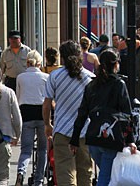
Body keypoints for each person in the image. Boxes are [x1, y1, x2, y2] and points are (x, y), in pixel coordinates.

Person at [69, 49, 137, 186]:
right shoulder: (119, 85)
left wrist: (75, 139)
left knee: (107, 173)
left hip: (93, 137)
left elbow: (82, 113)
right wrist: (131, 140)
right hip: (111, 138)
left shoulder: (91, 86)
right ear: (116, 64)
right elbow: (127, 114)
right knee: (106, 176)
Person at [43, 40, 95, 186]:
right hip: (85, 132)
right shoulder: (90, 78)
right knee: (85, 174)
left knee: (65, 176)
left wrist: (47, 124)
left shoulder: (54, 76)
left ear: (63, 58)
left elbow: (47, 104)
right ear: (80, 56)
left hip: (62, 131)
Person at [15, 50, 48, 186]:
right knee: (42, 149)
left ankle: (21, 172)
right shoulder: (46, 77)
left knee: (26, 149)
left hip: (26, 114)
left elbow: (18, 96)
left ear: (27, 62)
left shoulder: (20, 77)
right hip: (42, 114)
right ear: (39, 63)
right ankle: (38, 180)